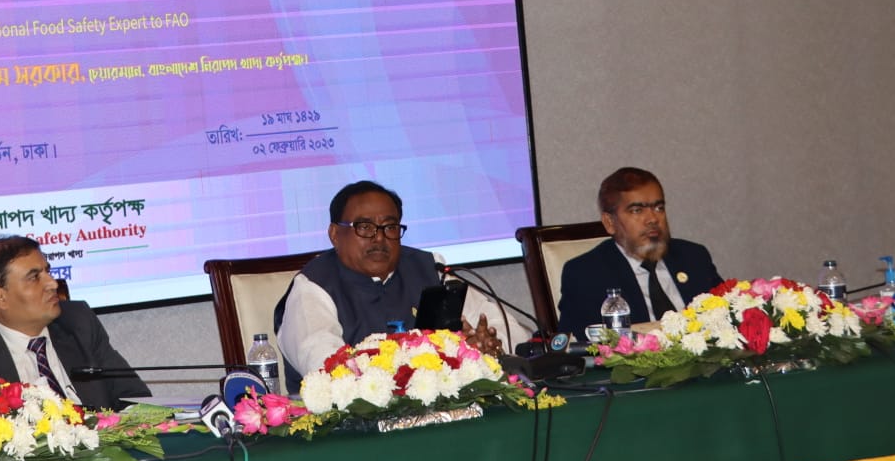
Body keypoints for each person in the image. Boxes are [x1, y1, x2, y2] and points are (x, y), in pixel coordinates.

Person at [274, 180, 531, 393]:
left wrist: (486, 348)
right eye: (364, 227)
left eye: (390, 227)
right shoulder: (313, 287)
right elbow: (328, 370)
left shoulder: (430, 269)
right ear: (334, 234)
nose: (379, 238)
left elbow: (513, 334)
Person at [0, 236, 149, 410]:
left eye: (47, 271)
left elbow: (134, 398)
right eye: (34, 277)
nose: (52, 283)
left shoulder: (78, 321)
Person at [555, 167, 723, 340]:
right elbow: (576, 344)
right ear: (609, 222)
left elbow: (728, 318)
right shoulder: (585, 274)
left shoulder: (694, 257)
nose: (652, 219)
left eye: (659, 208)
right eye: (637, 210)